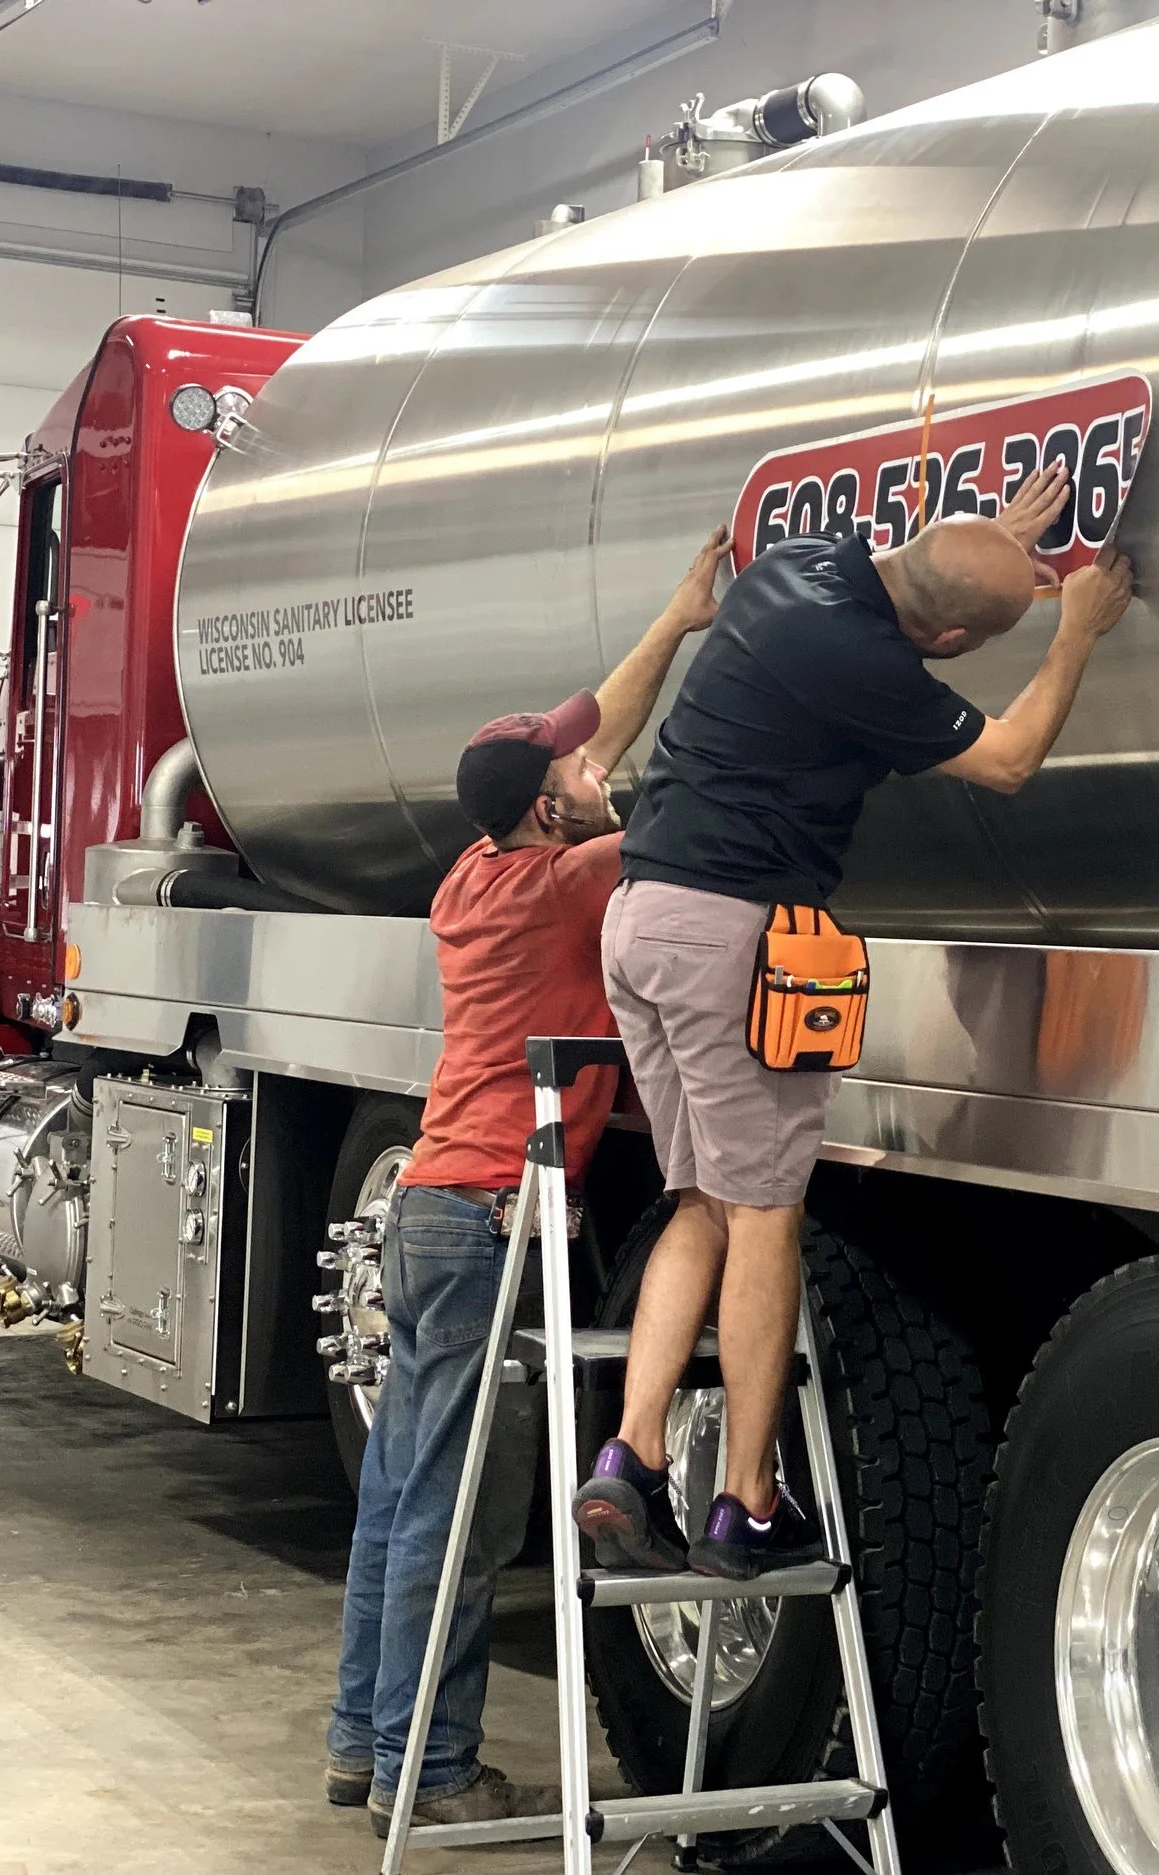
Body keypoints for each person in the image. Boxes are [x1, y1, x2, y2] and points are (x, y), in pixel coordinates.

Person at [576, 463, 1134, 1581]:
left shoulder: (798, 567)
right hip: (729, 932)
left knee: (702, 1200)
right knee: (765, 1214)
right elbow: (1009, 760)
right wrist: (1075, 628)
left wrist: (992, 542)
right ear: (950, 641)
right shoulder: (868, 666)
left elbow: (929, 568)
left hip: (639, 917)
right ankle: (746, 1500)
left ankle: (632, 1456)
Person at [326, 527, 732, 1837]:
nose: (597, 765)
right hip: (486, 1211)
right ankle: (431, 1770)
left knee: (399, 1494)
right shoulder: (568, 883)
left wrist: (678, 619)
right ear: (551, 807)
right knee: (457, 1513)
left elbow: (599, 725)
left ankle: (363, 1745)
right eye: (578, 770)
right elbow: (686, 803)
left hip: (429, 1208)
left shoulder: (478, 870)